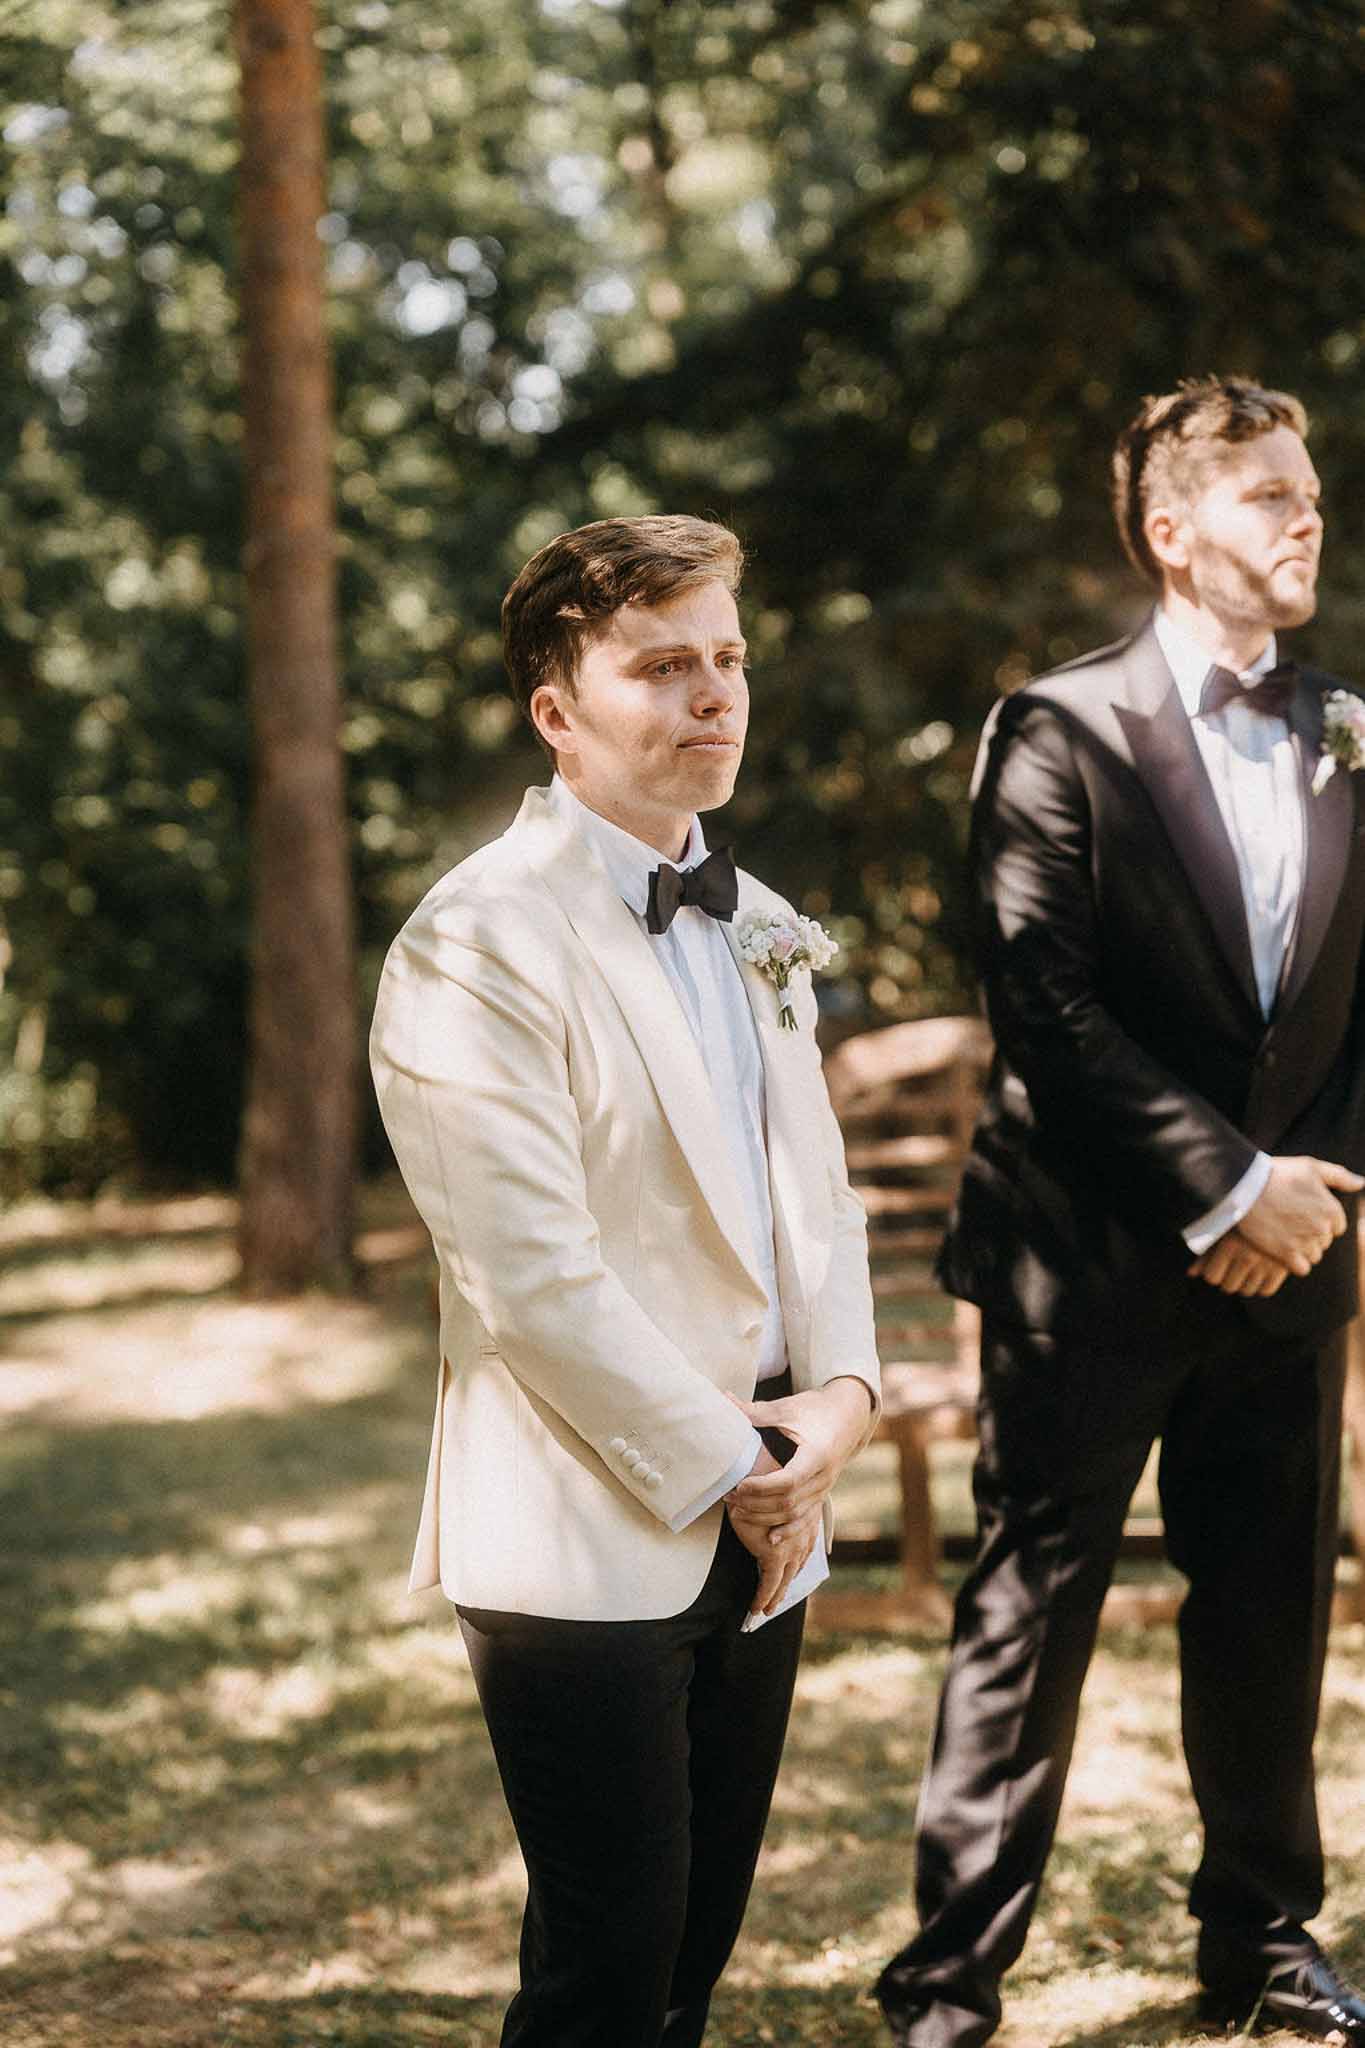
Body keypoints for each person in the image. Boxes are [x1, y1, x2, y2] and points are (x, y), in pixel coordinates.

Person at [876, 377, 1365, 2046]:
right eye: (1270, 496)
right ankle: (948, 1985)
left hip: (1293, 1265)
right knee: (1029, 1617)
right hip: (1080, 1267)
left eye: (1310, 494)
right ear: (1171, 531)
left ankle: (1263, 1943)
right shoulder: (1055, 729)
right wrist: (1221, 1183)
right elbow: (1040, 1002)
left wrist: (1300, 1202)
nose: (1308, 518)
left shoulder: (1346, 729)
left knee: (1266, 1613)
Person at [370, 513, 880, 2048]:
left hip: (769, 1513)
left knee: (693, 1951)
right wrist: (737, 1464)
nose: (714, 694)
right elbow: (529, 1279)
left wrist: (840, 1405)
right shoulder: (473, 941)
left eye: (726, 659)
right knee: (606, 1957)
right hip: (583, 1526)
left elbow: (820, 1208)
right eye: (663, 667)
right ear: (557, 711)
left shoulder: (764, 925)